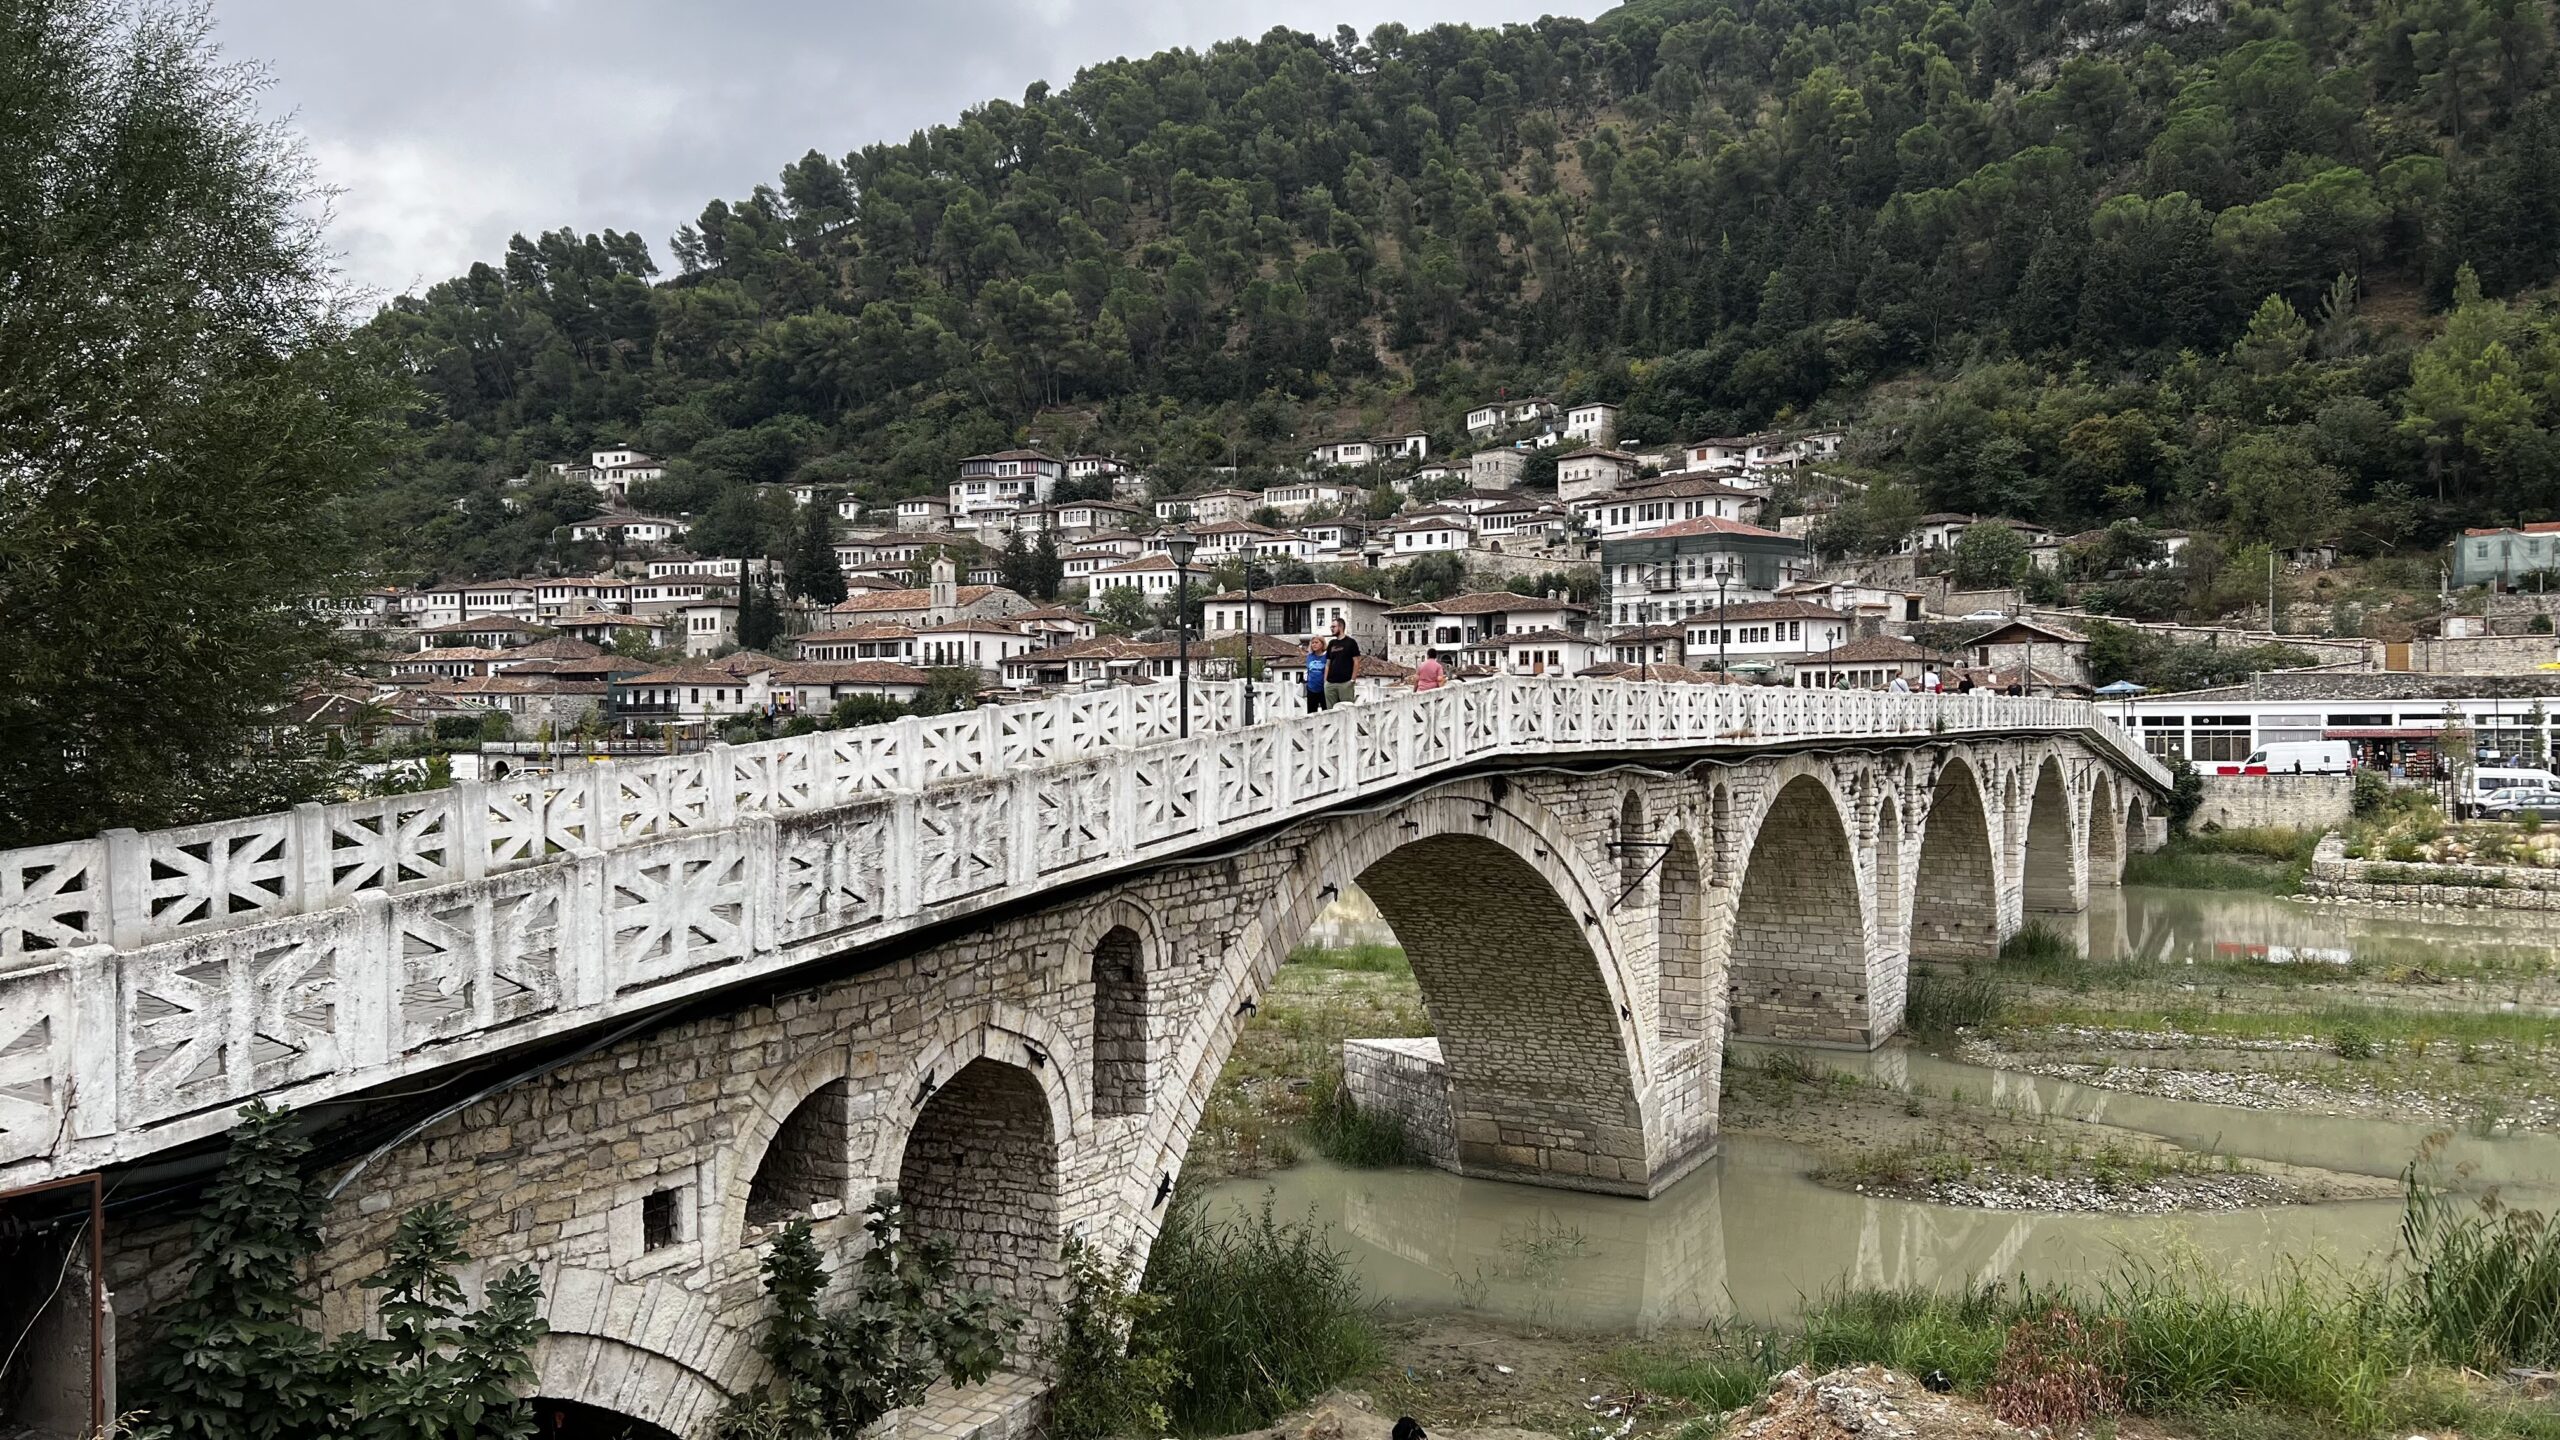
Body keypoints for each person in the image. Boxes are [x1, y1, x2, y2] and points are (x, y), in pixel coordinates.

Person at [1323, 618, 1361, 707]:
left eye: (1333, 626)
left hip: (1345, 683)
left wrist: (1352, 680)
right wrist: (1325, 682)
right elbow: (1328, 663)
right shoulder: (1331, 643)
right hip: (1330, 684)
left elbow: (1356, 661)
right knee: (1330, 712)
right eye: (1331, 627)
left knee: (1347, 710)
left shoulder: (1351, 642)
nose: (1331, 628)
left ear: (1340, 627)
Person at [1302, 637, 1329, 712]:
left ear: (1322, 644)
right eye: (1313, 643)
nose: (1314, 645)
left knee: (1326, 711)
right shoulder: (1310, 656)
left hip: (1323, 689)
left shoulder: (1327, 656)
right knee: (1311, 713)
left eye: (1316, 642)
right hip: (1311, 688)